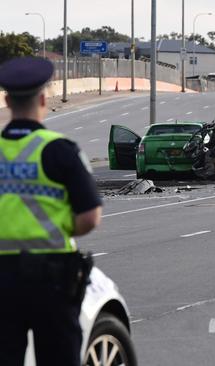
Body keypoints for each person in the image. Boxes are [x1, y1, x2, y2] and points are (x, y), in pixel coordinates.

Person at [0, 57, 102, 366]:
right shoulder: (60, 149)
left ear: (7, 101)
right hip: (52, 278)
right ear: (44, 100)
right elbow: (89, 217)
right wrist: (56, 228)